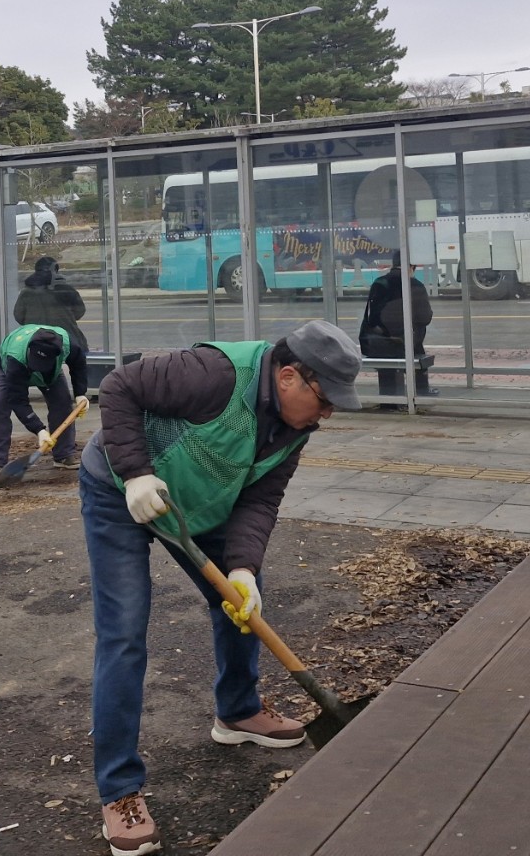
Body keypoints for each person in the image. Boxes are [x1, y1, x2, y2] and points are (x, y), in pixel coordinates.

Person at [78, 319, 362, 856]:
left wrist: (243, 570)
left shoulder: (294, 430)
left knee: (239, 603)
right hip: (121, 492)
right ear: (288, 378)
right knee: (123, 633)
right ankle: (119, 791)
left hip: (196, 502)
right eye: (325, 400)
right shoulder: (213, 374)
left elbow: (258, 501)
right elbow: (119, 387)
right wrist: (135, 473)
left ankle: (237, 710)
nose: (327, 415)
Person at [0, 322, 88, 483]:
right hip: (8, 368)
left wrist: (80, 394)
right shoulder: (15, 357)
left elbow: (79, 365)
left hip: (51, 374)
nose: (38, 367)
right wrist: (39, 430)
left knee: (63, 403)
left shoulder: (68, 345)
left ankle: (64, 455)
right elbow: (17, 400)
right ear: (30, 349)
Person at [359, 252, 434, 401]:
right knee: (417, 347)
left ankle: (389, 397)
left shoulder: (379, 282)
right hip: (406, 345)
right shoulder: (415, 285)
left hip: (378, 343)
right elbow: (425, 318)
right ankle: (421, 391)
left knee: (395, 348)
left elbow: (372, 318)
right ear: (412, 266)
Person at [13, 256, 89, 356]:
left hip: (37, 343)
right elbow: (79, 312)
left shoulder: (26, 292)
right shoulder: (66, 290)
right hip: (67, 341)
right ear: (56, 271)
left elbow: (19, 316)